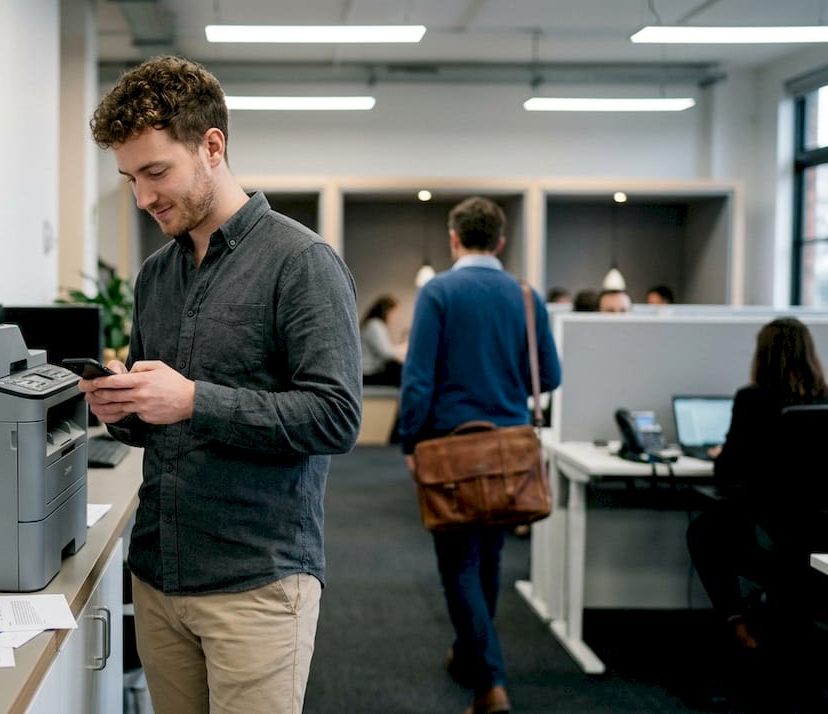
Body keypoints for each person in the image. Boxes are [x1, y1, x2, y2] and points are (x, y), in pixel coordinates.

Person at [82, 55, 362, 714]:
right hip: (159, 575)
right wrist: (121, 406)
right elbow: (154, 422)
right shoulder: (156, 275)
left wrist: (193, 400)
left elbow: (335, 416)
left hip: (255, 582)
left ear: (212, 147)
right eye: (130, 178)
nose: (143, 197)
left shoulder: (301, 263)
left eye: (156, 172)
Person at [398, 197, 562, 714]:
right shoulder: (526, 295)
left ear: (454, 239)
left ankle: (490, 683)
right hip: (510, 450)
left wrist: (410, 442)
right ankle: (470, 654)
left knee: (458, 565)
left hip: (450, 451)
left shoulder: (438, 292)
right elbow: (550, 376)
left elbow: (418, 380)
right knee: (488, 559)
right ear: (500, 242)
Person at [686, 317, 828, 651]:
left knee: (704, 531)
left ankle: (737, 622)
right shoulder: (825, 399)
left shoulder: (753, 399)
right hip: (820, 537)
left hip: (774, 531)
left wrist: (721, 453)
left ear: (762, 354)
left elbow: (727, 471)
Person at [361, 294, 407, 386]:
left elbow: (385, 348)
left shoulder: (373, 324)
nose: (393, 317)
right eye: (393, 313)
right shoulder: (375, 325)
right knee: (404, 375)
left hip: (370, 371)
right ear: (386, 311)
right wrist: (404, 348)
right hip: (369, 373)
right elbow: (386, 353)